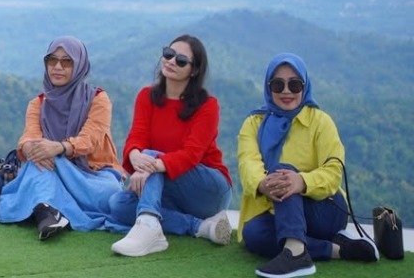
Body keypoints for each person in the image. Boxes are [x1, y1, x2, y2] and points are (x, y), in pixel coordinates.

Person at [238, 53, 379, 277]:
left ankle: (295, 253)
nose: (286, 91)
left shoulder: (320, 121)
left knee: (282, 171)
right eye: (278, 84)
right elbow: (248, 164)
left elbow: (333, 173)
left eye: (294, 84)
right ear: (268, 87)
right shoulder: (253, 123)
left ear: (305, 86)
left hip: (323, 209)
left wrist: (302, 182)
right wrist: (263, 184)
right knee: (253, 234)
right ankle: (337, 249)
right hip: (276, 211)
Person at [108, 34, 233, 256]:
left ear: (194, 70)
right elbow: (136, 137)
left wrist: (148, 165)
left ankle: (147, 224)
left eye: (181, 60)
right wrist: (136, 157)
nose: (171, 61)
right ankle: (200, 227)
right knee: (118, 205)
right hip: (168, 185)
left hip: (209, 189)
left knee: (151, 155)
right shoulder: (146, 96)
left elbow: (191, 155)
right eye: (168, 54)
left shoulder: (208, 106)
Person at [0, 36, 125, 240]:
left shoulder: (98, 99)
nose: (57, 67)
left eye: (66, 61)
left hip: (93, 174)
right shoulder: (38, 104)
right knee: (38, 164)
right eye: (51, 60)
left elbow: (89, 140)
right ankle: (47, 212)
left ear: (80, 65)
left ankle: (48, 206)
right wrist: (32, 149)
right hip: (51, 171)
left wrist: (59, 148)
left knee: (110, 194)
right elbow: (28, 138)